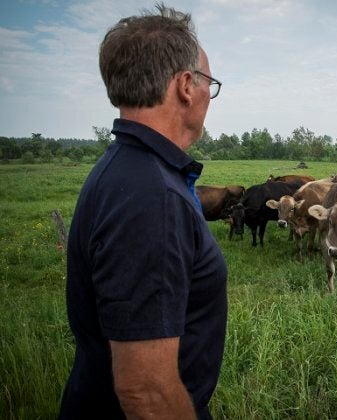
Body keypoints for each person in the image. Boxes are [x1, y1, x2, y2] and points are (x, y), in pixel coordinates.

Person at [59, 4, 227, 419]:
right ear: (186, 85)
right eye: (209, 82)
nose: (210, 94)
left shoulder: (126, 169)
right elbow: (145, 393)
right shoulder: (153, 196)